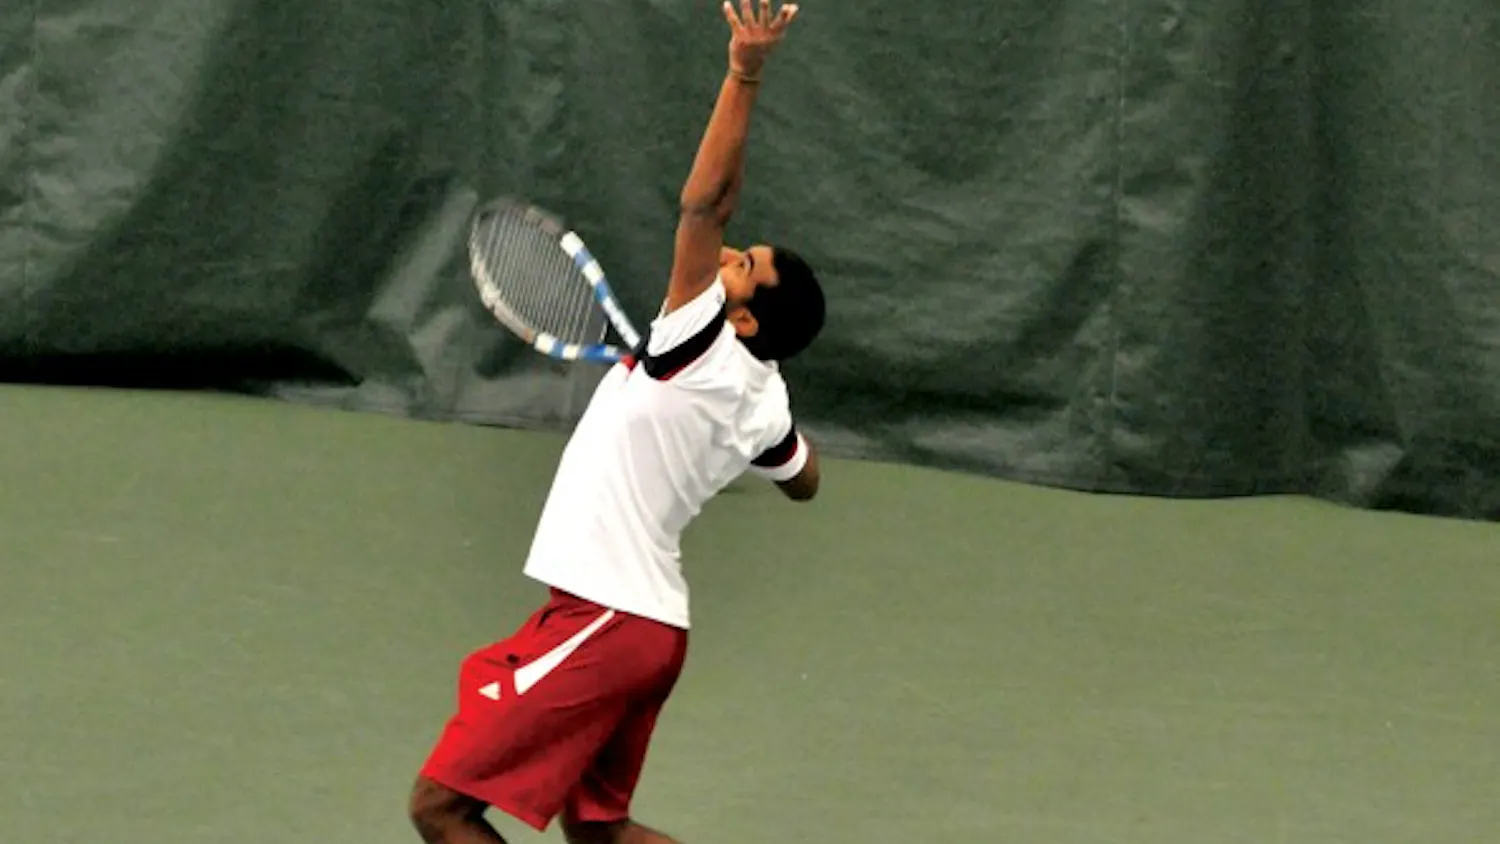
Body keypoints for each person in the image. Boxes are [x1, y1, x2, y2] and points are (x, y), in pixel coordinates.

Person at [408, 2, 823, 842]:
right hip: (651, 627)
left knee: (440, 807)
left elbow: (706, 203)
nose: (727, 257)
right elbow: (804, 478)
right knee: (600, 835)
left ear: (741, 320)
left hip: (608, 617)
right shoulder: (763, 394)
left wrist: (744, 71)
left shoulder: (696, 339)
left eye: (742, 269)